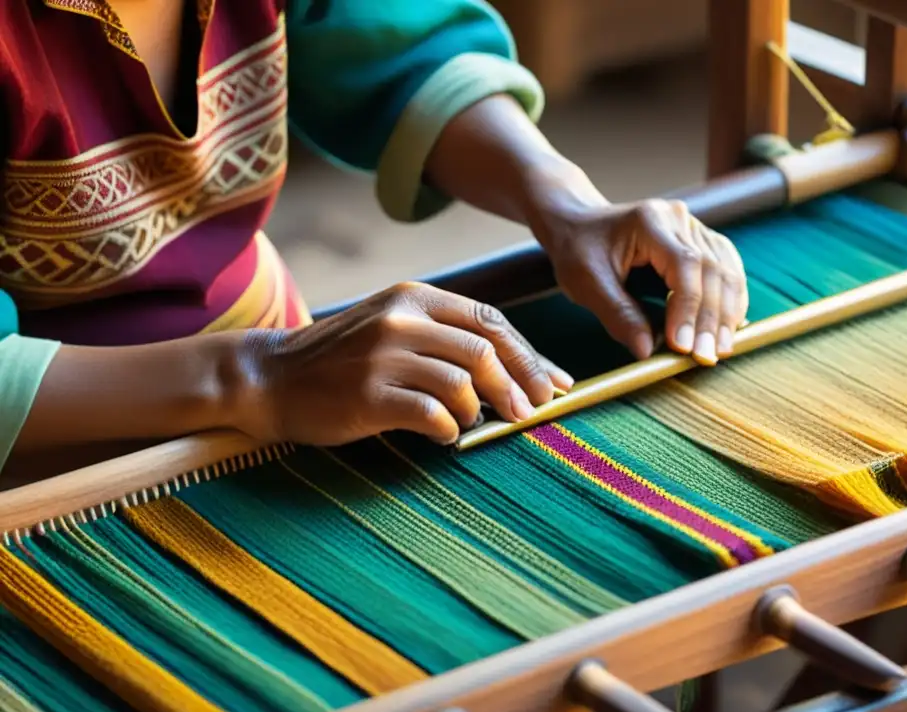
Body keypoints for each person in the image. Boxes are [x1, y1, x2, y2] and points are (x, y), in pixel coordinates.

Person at [0, 0, 748, 486]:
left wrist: (567, 203)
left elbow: (387, 42)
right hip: (54, 470)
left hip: (274, 362)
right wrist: (257, 378)